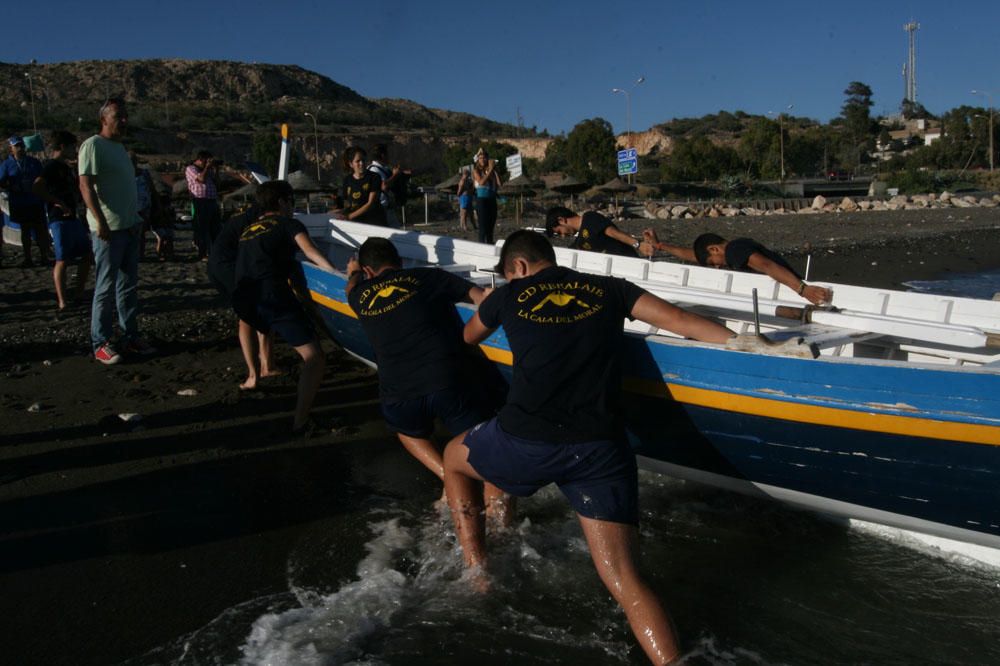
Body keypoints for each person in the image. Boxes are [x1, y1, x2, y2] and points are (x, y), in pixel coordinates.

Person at [443, 230, 734, 665]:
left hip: (526, 440)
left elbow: (469, 336)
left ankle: (476, 568)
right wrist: (746, 342)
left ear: (518, 268)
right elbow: (682, 322)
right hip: (599, 449)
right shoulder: (609, 288)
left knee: (453, 458)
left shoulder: (509, 294)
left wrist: (495, 301)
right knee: (626, 581)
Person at [345, 237, 510, 512]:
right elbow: (481, 298)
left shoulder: (359, 296)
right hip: (448, 384)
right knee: (487, 453)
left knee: (407, 431)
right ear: (399, 262)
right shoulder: (427, 276)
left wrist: (353, 273)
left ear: (368, 271)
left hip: (399, 396)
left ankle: (448, 475)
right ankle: (495, 514)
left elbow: (350, 286)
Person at [233, 179, 335, 433]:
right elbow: (310, 251)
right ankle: (301, 421)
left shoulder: (250, 229)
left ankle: (253, 376)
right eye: (291, 201)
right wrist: (335, 275)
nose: (293, 206)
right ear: (281, 202)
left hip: (243, 296)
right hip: (272, 295)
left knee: (253, 324)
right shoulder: (289, 223)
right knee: (315, 358)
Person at [78, 98, 155, 365]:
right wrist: (100, 222)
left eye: (125, 116)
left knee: (128, 286)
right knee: (105, 287)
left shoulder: (119, 147)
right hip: (108, 230)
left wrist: (137, 218)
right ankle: (100, 342)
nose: (124, 120)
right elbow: (86, 186)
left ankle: (129, 335)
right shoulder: (92, 145)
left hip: (129, 226)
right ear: (104, 119)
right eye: (118, 116)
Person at [642, 230, 833, 306]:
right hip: (789, 290)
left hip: (792, 291)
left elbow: (767, 266)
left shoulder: (734, 251)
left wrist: (803, 289)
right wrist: (660, 246)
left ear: (715, 248)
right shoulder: (735, 249)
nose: (716, 267)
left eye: (713, 262)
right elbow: (691, 255)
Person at [209, 202, 279, 390]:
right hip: (228, 267)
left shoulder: (249, 216)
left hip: (221, 265)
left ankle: (267, 365)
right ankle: (254, 375)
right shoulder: (260, 221)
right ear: (281, 202)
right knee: (248, 316)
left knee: (260, 311)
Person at [32, 130, 92, 310]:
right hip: (58, 219)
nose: (75, 150)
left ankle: (78, 293)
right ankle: (62, 300)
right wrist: (57, 202)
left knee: (87, 255)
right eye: (73, 147)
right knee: (63, 259)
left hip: (72, 217)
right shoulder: (51, 166)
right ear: (63, 147)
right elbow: (37, 187)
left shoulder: (65, 167)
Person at [0, 135, 49, 266]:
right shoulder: (7, 164)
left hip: (35, 200)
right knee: (25, 230)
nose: (20, 148)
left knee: (40, 229)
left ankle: (44, 256)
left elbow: (43, 177)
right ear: (11, 148)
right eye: (17, 146)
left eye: (21, 145)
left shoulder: (34, 162)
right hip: (19, 201)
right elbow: (1, 182)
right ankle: (28, 258)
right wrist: (10, 186)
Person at [545, 205, 653, 258]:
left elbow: (613, 233)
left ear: (561, 220)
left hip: (627, 259)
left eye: (559, 232)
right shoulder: (578, 242)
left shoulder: (590, 218)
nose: (563, 236)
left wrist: (638, 245)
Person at [185, 150, 221, 260]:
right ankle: (202, 253)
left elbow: (218, 183)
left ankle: (214, 252)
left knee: (215, 228)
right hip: (200, 200)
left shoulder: (208, 170)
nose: (208, 162)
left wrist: (216, 170)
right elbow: (201, 179)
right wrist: (207, 168)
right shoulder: (191, 168)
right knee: (202, 228)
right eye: (207, 160)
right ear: (200, 159)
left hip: (212, 200)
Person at [368, 143, 410, 228]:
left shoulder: (383, 169)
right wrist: (395, 175)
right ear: (383, 156)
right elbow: (384, 186)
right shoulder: (374, 170)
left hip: (387, 208)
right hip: (381, 209)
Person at [341, 146, 386, 226]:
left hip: (374, 223)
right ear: (351, 164)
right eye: (358, 161)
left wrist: (349, 217)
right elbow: (347, 205)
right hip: (356, 224)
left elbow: (370, 203)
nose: (361, 163)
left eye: (363, 160)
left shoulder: (374, 177)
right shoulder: (347, 180)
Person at [471, 147, 501, 244]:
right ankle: (481, 247)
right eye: (480, 158)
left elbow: (499, 184)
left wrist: (494, 170)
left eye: (484, 158)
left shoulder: (491, 171)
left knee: (490, 228)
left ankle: (489, 245)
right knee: (483, 228)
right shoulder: (475, 171)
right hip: (481, 200)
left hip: (491, 200)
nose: (482, 160)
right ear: (478, 160)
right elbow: (481, 182)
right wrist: (491, 169)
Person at [456, 166, 476, 232]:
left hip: (468, 197)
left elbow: (472, 188)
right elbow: (459, 191)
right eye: (467, 174)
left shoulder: (468, 180)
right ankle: (464, 226)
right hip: (464, 197)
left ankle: (472, 225)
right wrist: (459, 195)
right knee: (464, 212)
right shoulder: (463, 181)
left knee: (470, 212)